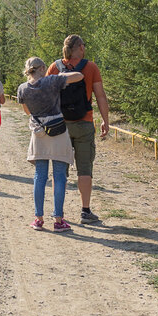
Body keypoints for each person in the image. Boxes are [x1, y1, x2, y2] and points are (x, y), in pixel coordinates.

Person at [48, 34, 111, 224]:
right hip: (84, 123)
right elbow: (100, 96)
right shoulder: (90, 67)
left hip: (60, 125)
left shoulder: (54, 67)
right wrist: (105, 121)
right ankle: (85, 211)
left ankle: (58, 211)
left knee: (59, 170)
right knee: (85, 169)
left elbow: (44, 94)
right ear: (80, 48)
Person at [18, 56, 84, 232]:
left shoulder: (22, 88)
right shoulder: (52, 81)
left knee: (40, 175)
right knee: (59, 175)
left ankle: (38, 219)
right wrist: (61, 73)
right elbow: (79, 76)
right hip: (58, 131)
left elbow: (27, 111)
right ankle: (58, 219)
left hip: (38, 132)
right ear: (41, 68)